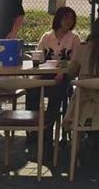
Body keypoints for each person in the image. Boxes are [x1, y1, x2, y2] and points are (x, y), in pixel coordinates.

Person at [26, 7, 81, 137]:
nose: (69, 21)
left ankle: (49, 129)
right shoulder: (46, 37)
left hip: (64, 76)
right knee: (31, 90)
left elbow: (74, 61)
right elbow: (39, 57)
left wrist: (61, 72)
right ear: (58, 19)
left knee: (58, 91)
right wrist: (37, 76)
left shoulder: (74, 38)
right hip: (45, 74)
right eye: (66, 18)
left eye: (72, 18)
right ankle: (33, 129)